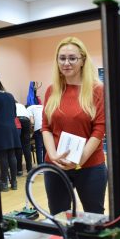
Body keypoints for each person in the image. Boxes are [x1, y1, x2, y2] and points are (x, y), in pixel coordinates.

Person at [42, 36, 107, 215]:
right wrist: (54, 157)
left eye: (72, 58)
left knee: (93, 217)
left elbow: (100, 128)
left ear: (82, 60)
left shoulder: (97, 89)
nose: (66, 63)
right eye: (62, 58)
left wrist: (80, 160)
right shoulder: (51, 90)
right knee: (59, 216)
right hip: (56, 165)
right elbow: (46, 127)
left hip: (90, 166)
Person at [0, 77, 21, 191]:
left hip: (0, 128)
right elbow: (14, 113)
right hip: (12, 127)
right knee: (12, 155)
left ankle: (4, 183)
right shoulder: (10, 95)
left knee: (3, 156)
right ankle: (14, 183)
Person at [15, 101, 32, 175]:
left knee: (18, 146)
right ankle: (29, 169)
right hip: (26, 120)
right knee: (27, 146)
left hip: (17, 120)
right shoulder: (22, 105)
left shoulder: (11, 105)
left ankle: (19, 170)